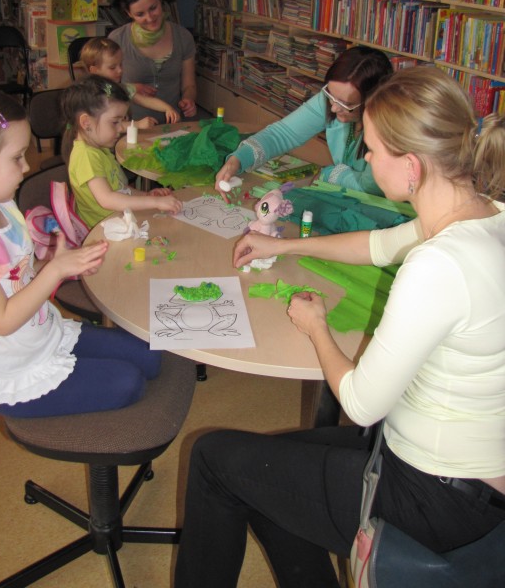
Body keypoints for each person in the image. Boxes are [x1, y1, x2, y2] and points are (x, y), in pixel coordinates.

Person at [175, 68, 505, 587]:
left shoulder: (439, 264)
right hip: (470, 476)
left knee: (214, 461)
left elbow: (360, 403)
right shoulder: (484, 215)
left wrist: (317, 327)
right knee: (271, 482)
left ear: (411, 165)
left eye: (370, 148)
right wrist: (282, 244)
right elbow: (375, 246)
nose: (364, 158)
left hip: (432, 493)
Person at [0, 84, 162, 419]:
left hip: (46, 335)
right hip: (16, 369)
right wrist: (56, 271)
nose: (25, 167)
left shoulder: (2, 204)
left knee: (151, 357)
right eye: (17, 157)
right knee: (129, 382)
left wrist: (58, 264)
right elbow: (2, 320)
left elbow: (20, 273)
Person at [215, 46, 393, 199]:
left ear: (372, 100)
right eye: (330, 95)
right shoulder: (331, 100)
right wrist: (237, 160)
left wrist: (328, 174)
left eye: (346, 104)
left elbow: (370, 187)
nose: (333, 108)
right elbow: (283, 134)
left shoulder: (389, 126)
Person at [61, 75, 182, 228]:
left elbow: (119, 189)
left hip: (119, 220)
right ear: (86, 123)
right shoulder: (86, 156)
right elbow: (108, 199)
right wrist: (154, 202)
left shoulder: (99, 149)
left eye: (121, 121)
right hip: (104, 230)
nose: (120, 128)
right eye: (115, 122)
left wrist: (146, 195)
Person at [108, 0, 197, 124]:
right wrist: (129, 88)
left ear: (160, 0)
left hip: (173, 125)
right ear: (128, 13)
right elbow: (105, 87)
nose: (149, 18)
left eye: (153, 8)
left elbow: (189, 85)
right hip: (132, 125)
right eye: (140, 14)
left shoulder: (183, 37)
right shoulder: (118, 39)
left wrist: (188, 100)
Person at [78, 36, 181, 128]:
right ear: (94, 70)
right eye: (112, 67)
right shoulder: (92, 95)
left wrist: (167, 108)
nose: (120, 70)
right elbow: (106, 125)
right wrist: (137, 124)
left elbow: (145, 100)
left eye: (121, 64)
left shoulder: (120, 88)